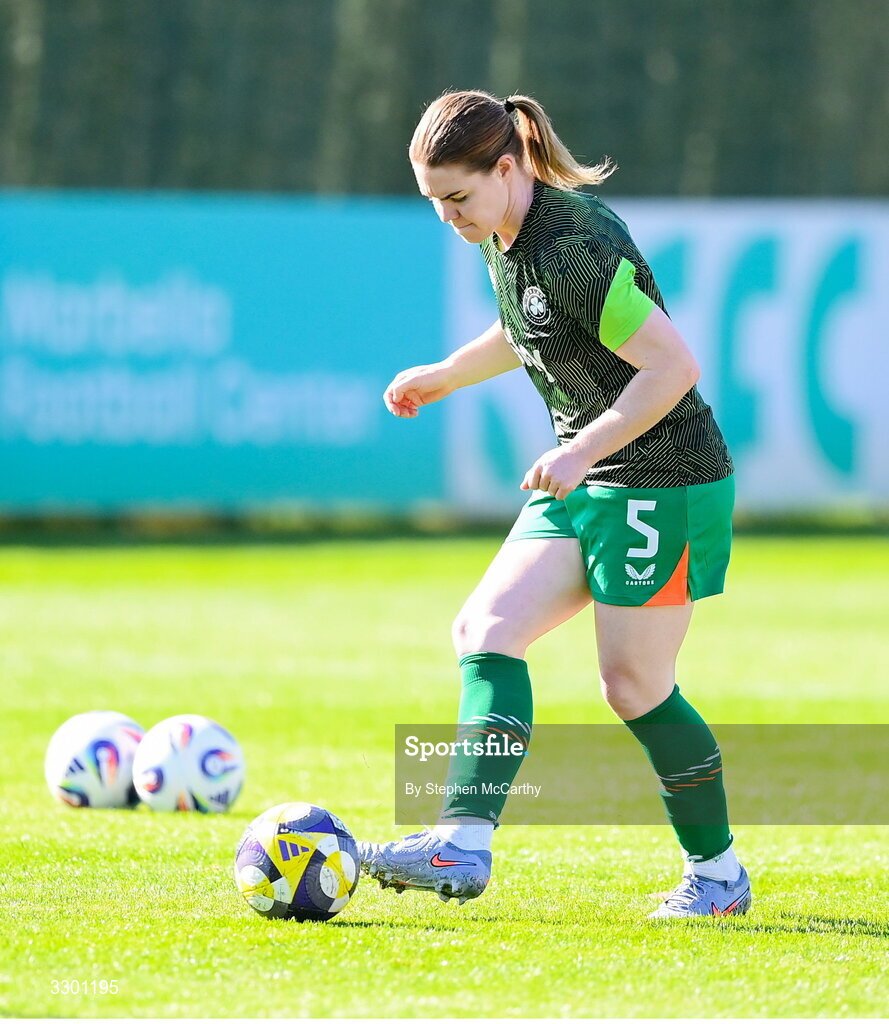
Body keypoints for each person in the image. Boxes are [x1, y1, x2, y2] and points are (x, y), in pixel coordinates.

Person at [357, 90, 751, 918]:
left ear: (506, 167)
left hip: (661, 475)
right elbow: (526, 327)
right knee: (486, 631)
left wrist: (577, 451)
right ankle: (461, 847)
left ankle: (716, 879)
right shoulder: (501, 230)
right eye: (433, 203)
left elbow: (673, 367)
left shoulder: (572, 244)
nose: (447, 218)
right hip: (589, 472)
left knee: (633, 684)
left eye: (457, 198)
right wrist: (443, 375)